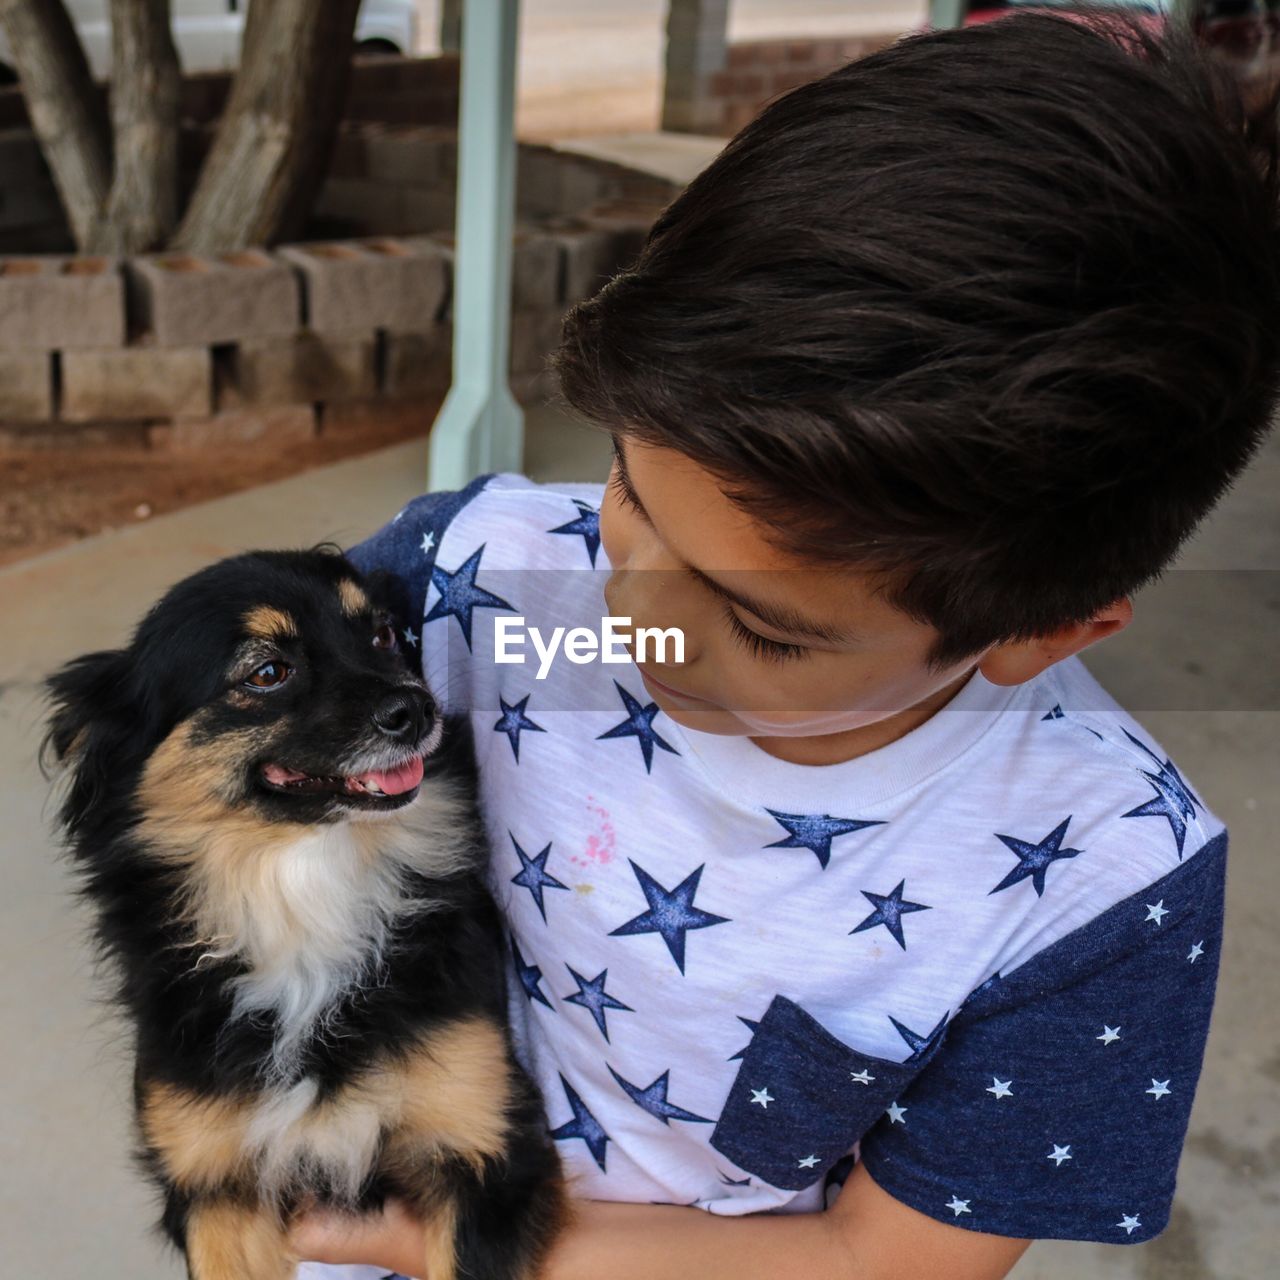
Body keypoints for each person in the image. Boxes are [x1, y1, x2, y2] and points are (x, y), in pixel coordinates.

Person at [291, 13, 1280, 1279]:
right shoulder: (473, 581)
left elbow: (889, 1259)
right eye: (628, 488)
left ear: (1037, 632)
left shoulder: (1094, 884)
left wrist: (459, 1241)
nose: (624, 604)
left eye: (761, 622)